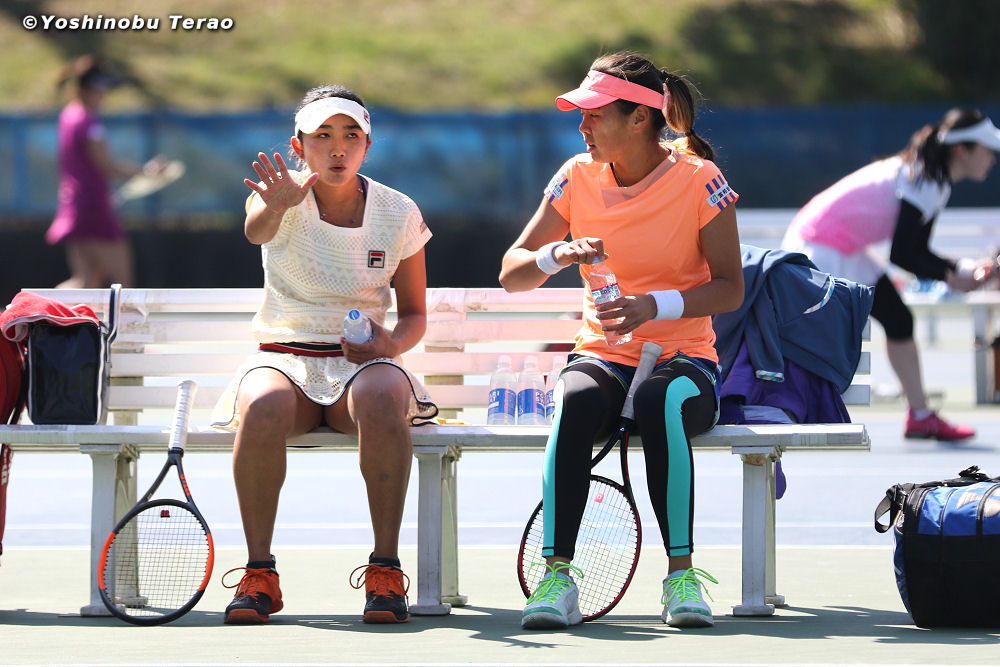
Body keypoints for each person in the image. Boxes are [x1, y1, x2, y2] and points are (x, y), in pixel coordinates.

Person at [499, 52, 744, 629]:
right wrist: (557, 253)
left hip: (685, 361)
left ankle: (681, 578)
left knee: (662, 400)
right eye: (582, 114)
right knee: (575, 399)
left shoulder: (701, 180)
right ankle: (557, 578)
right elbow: (512, 273)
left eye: (595, 114)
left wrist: (653, 306)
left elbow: (731, 288)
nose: (582, 126)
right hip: (603, 356)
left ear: (639, 118)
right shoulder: (575, 175)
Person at [211, 85, 437, 625]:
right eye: (323, 135)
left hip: (363, 368)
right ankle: (259, 574)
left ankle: (385, 571)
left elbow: (413, 316)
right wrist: (275, 204)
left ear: (367, 145)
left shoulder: (398, 210)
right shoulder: (276, 194)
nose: (338, 148)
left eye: (351, 136)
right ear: (299, 146)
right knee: (261, 404)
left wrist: (389, 345)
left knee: (382, 395)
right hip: (283, 360)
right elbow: (256, 231)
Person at [782, 108, 1000, 441]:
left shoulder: (932, 179)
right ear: (961, 150)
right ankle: (779, 404)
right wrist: (952, 276)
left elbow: (918, 248)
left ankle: (920, 417)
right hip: (818, 246)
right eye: (986, 150)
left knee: (899, 321)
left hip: (845, 246)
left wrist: (962, 270)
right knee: (817, 336)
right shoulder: (926, 180)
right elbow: (903, 254)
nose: (992, 159)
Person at [46, 55, 162, 289]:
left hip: (75, 206)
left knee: (85, 281)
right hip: (93, 208)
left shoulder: (69, 115)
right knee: (124, 285)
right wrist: (145, 172)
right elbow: (105, 166)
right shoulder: (87, 122)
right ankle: (37, 309)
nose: (104, 96)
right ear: (89, 89)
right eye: (101, 90)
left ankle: (43, 309)